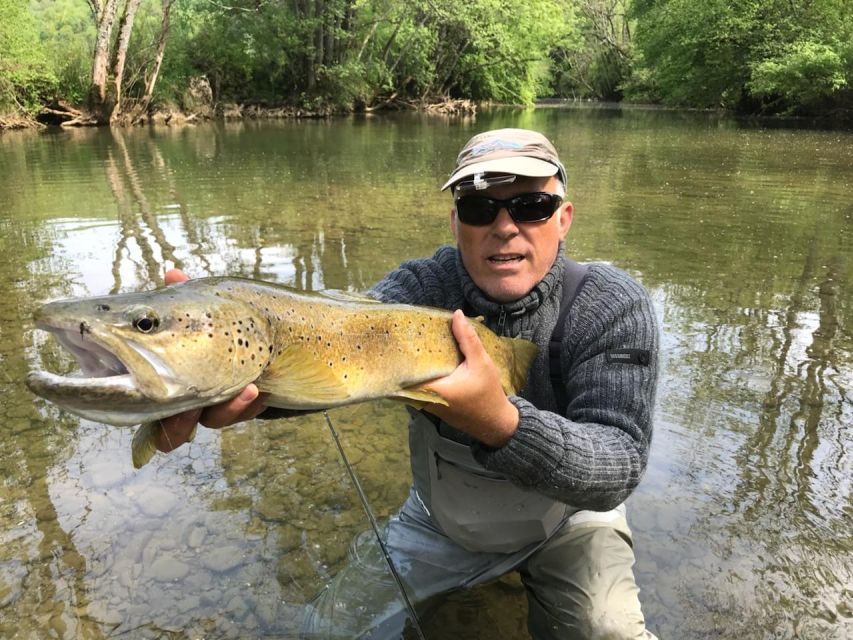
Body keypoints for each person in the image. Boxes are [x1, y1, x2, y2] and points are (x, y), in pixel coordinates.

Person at [159, 128, 659, 639]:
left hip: (570, 523)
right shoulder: (421, 289)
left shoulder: (612, 306)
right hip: (441, 524)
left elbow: (619, 464)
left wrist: (501, 424)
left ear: (564, 218)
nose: (505, 227)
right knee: (326, 631)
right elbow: (333, 355)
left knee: (610, 632)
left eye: (531, 206)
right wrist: (240, 377)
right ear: (455, 222)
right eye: (480, 208)